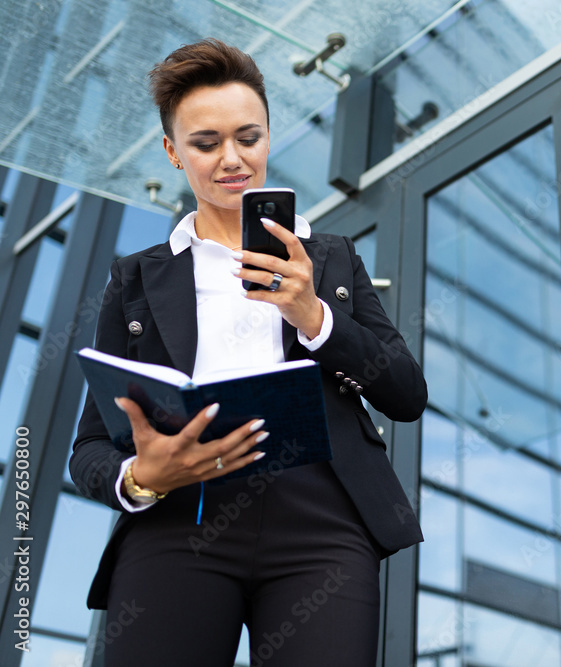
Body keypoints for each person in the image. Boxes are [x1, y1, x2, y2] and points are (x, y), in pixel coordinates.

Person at [69, 38, 426, 666]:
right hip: (178, 519)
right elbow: (90, 448)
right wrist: (142, 478)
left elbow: (405, 393)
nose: (232, 159)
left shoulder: (331, 259)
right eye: (206, 143)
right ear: (173, 153)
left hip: (323, 525)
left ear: (267, 138)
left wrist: (313, 316)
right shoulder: (134, 280)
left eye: (249, 137)